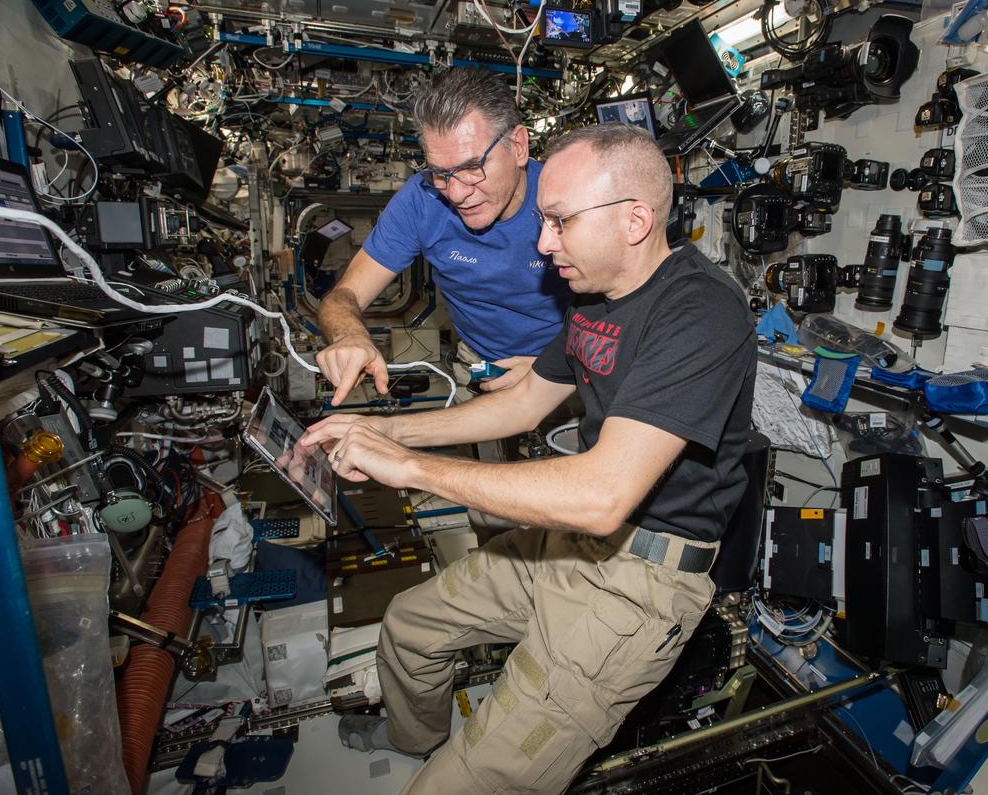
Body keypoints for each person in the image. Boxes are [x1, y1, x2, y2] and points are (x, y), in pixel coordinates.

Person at [299, 123, 756, 793]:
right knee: (409, 624)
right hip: (566, 550)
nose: (543, 244)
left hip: (638, 587)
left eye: (559, 222)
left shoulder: (700, 310)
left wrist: (411, 470)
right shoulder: (595, 300)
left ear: (634, 220)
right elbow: (520, 407)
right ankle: (416, 736)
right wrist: (388, 435)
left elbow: (602, 496)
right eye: (544, 221)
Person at [316, 67, 570, 407]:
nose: (456, 192)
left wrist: (557, 367)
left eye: (471, 167)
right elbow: (343, 297)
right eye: (440, 173)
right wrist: (350, 335)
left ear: (519, 146)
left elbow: (626, 309)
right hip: (481, 364)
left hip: (570, 363)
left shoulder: (567, 197)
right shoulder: (421, 202)